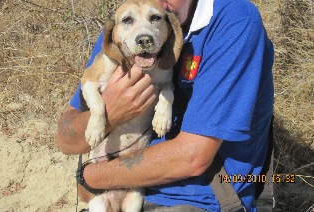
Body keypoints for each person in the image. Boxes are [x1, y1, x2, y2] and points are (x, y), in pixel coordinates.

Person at [56, 0, 274, 211]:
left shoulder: (234, 21)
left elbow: (192, 158)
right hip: (117, 191)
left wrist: (92, 177)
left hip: (192, 203)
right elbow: (66, 142)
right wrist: (111, 114)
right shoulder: (126, 28)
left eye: (154, 18)